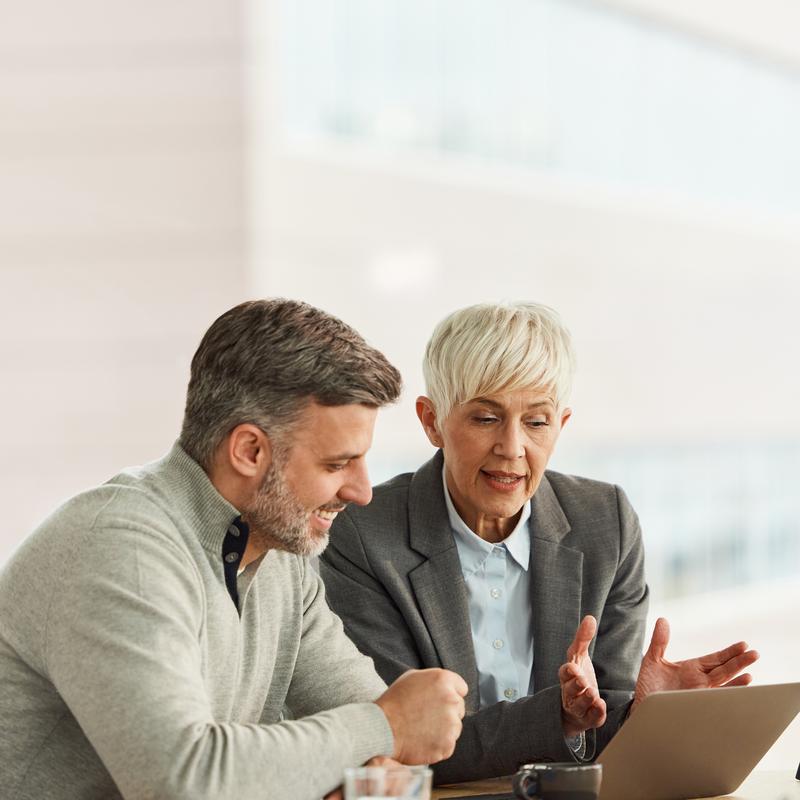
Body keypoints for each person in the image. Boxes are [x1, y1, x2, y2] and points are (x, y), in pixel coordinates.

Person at [0, 299, 468, 800]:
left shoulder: (281, 557)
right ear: (249, 450)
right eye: (337, 464)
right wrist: (383, 727)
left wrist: (377, 753)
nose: (361, 491)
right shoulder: (119, 549)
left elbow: (381, 741)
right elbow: (184, 779)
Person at [320, 301, 758, 784]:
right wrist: (558, 715)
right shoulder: (362, 534)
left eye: (537, 421)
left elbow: (601, 730)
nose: (512, 448)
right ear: (431, 422)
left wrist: (644, 716)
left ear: (561, 425)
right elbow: (398, 738)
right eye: (486, 418)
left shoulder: (606, 523)